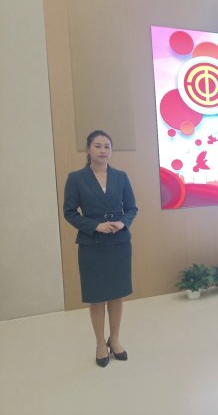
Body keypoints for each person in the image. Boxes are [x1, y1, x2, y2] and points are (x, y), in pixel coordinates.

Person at [63, 130, 138, 367]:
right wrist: (94, 226)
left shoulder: (121, 177)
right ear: (88, 150)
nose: (103, 150)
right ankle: (99, 344)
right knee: (96, 298)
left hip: (119, 243)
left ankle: (114, 340)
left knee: (116, 295)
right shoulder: (76, 178)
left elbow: (132, 208)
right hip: (92, 245)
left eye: (107, 146)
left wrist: (122, 223)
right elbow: (69, 212)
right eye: (97, 146)